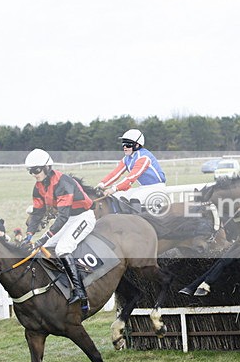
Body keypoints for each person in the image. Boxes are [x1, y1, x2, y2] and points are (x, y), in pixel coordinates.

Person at [24, 148, 96, 308]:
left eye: (36, 170)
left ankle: (80, 293)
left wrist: (45, 235)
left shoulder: (62, 183)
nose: (34, 174)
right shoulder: (38, 187)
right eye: (30, 171)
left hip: (83, 216)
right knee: (45, 247)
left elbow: (62, 216)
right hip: (69, 218)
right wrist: (29, 235)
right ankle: (60, 284)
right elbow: (37, 212)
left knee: (63, 248)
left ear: (47, 167)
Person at [95, 129, 167, 212]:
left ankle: (136, 222)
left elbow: (131, 177)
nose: (125, 147)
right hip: (143, 188)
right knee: (119, 196)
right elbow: (115, 174)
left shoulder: (144, 157)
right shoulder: (126, 159)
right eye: (123, 144)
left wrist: (114, 188)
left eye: (128, 144)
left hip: (157, 189)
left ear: (137, 145)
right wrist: (101, 185)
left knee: (135, 198)